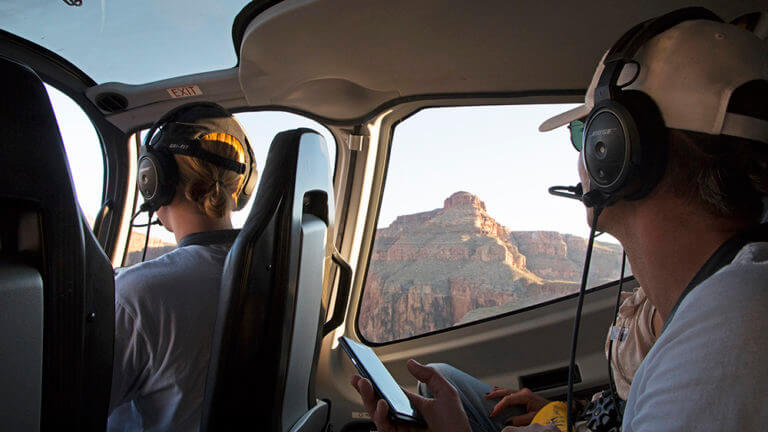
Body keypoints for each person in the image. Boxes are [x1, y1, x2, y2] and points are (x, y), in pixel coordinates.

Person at [352, 8, 768, 432]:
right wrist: (574, 416)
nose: (581, 157)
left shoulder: (728, 340)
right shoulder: (714, 301)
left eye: (583, 134)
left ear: (616, 150)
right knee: (443, 378)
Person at [107, 103, 256, 431]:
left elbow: (67, 406)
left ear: (154, 180)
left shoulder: (137, 296)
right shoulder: (277, 274)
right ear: (240, 187)